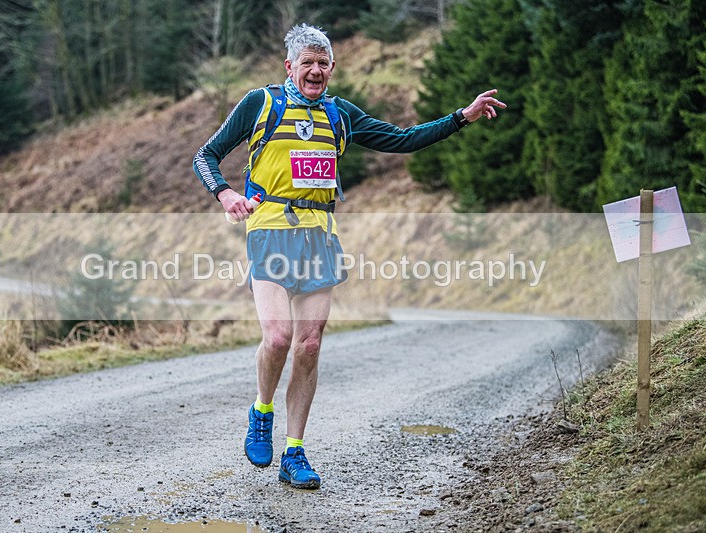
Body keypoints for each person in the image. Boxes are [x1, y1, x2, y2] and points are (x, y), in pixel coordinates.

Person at [193, 23, 506, 490]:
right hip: (270, 233)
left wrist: (462, 116)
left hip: (320, 236)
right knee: (278, 339)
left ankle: (294, 452)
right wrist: (224, 194)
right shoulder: (260, 103)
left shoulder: (341, 114)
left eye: (323, 64)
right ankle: (262, 412)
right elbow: (206, 154)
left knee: (311, 345)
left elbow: (402, 139)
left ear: (332, 68)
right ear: (289, 68)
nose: (315, 71)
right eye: (307, 64)